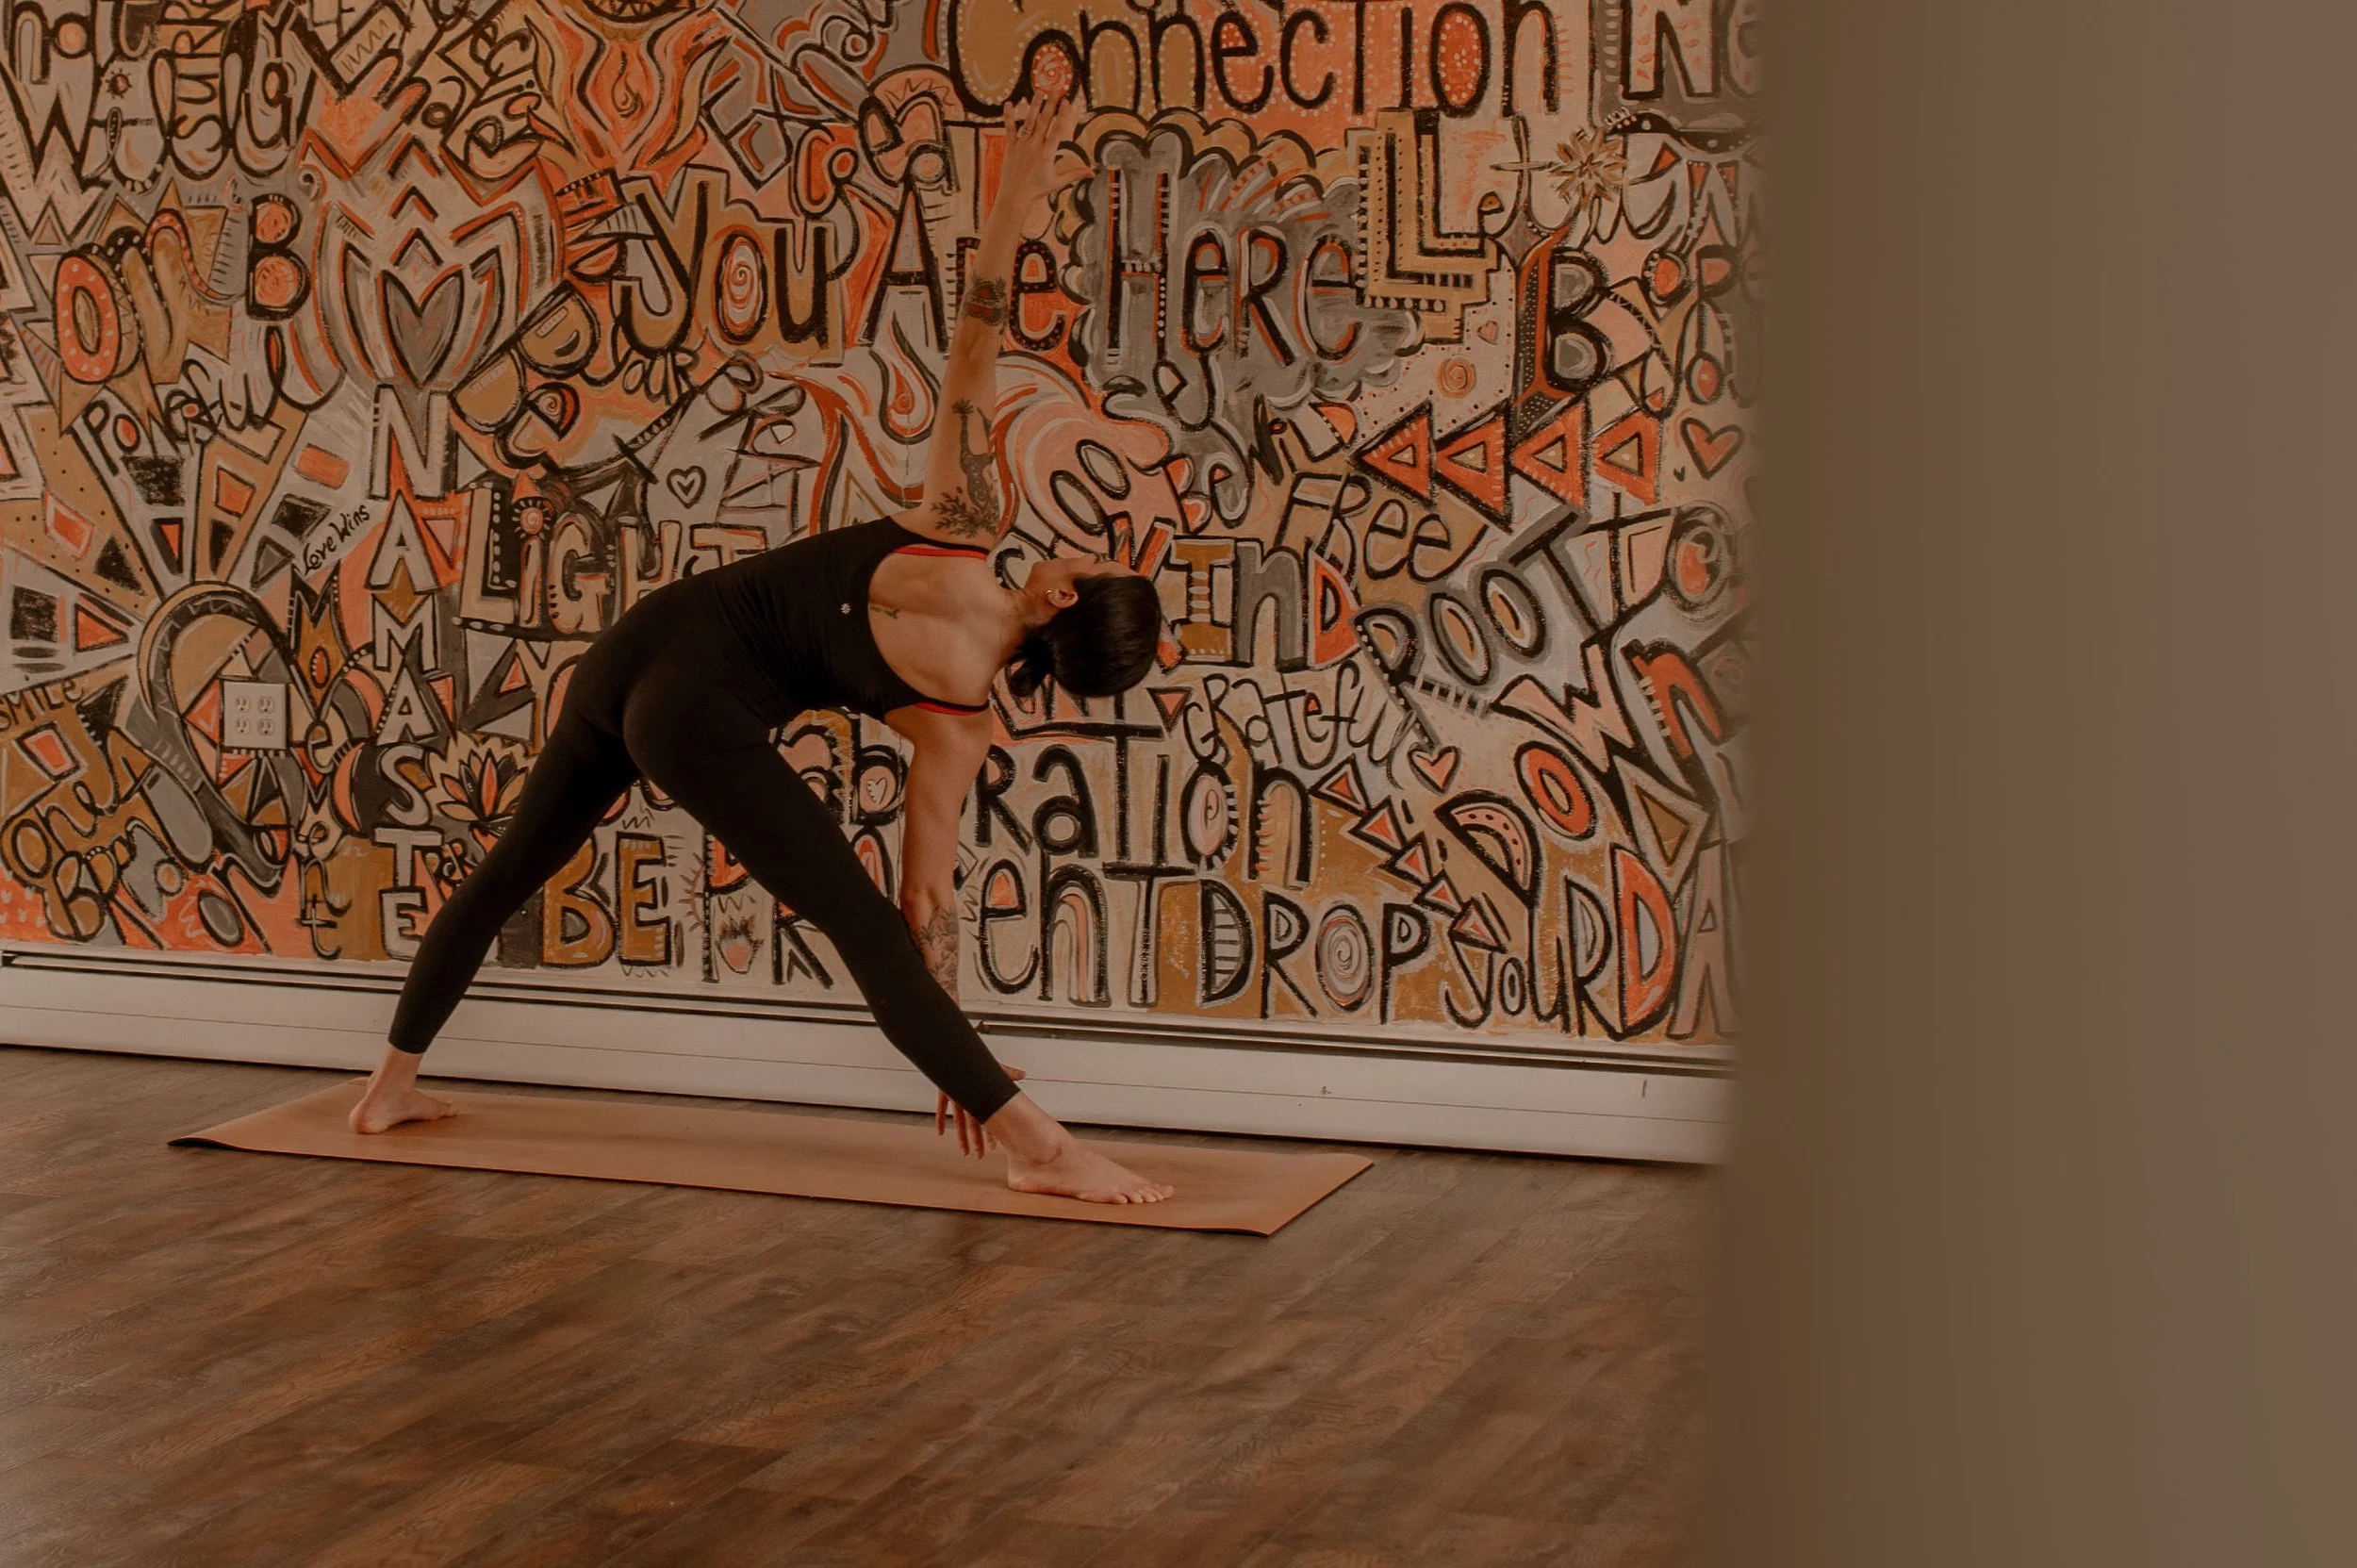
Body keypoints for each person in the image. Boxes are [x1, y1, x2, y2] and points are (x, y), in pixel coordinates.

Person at [349, 95, 1176, 1205]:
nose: (1084, 545)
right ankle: (1045, 1148)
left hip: (630, 651)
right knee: (862, 926)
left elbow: (975, 343)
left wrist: (1015, 199)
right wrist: (950, 1041)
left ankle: (387, 1087)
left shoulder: (961, 522)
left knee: (508, 871)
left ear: (1064, 591)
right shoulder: (958, 724)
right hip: (687, 715)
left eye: (1094, 558)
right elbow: (922, 908)